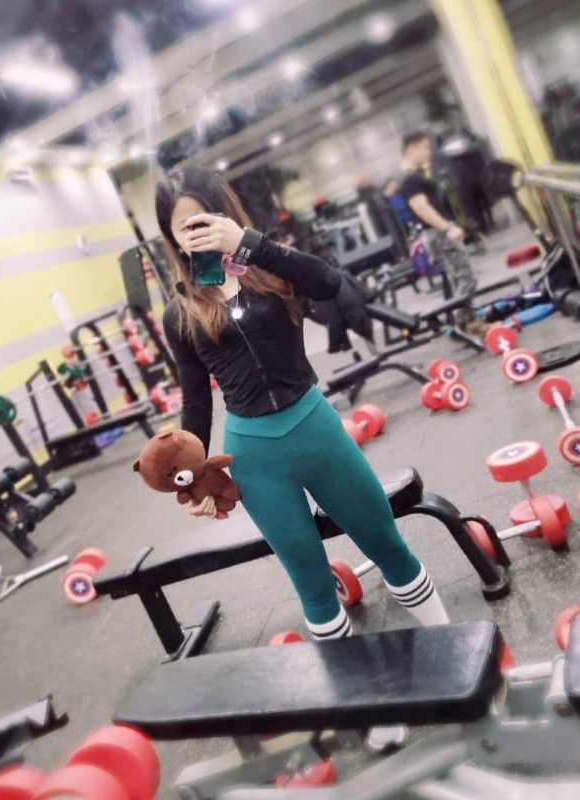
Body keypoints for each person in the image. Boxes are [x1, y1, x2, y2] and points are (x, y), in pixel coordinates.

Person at [155, 166, 449, 648]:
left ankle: (451, 644)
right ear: (171, 238)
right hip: (254, 455)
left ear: (224, 213)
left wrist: (247, 244)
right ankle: (359, 694)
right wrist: (194, 477)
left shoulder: (268, 266)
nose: (196, 233)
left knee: (388, 546)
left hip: (316, 429)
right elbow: (196, 399)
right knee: (312, 585)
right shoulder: (180, 312)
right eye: (183, 228)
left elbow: (330, 283)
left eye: (203, 219)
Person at [398, 131, 486, 334]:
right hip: (439, 233)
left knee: (459, 278)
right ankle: (467, 323)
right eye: (425, 148)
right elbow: (421, 208)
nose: (429, 152)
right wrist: (447, 228)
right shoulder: (410, 179)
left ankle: (464, 324)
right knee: (466, 278)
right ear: (411, 149)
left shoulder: (413, 176)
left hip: (436, 233)